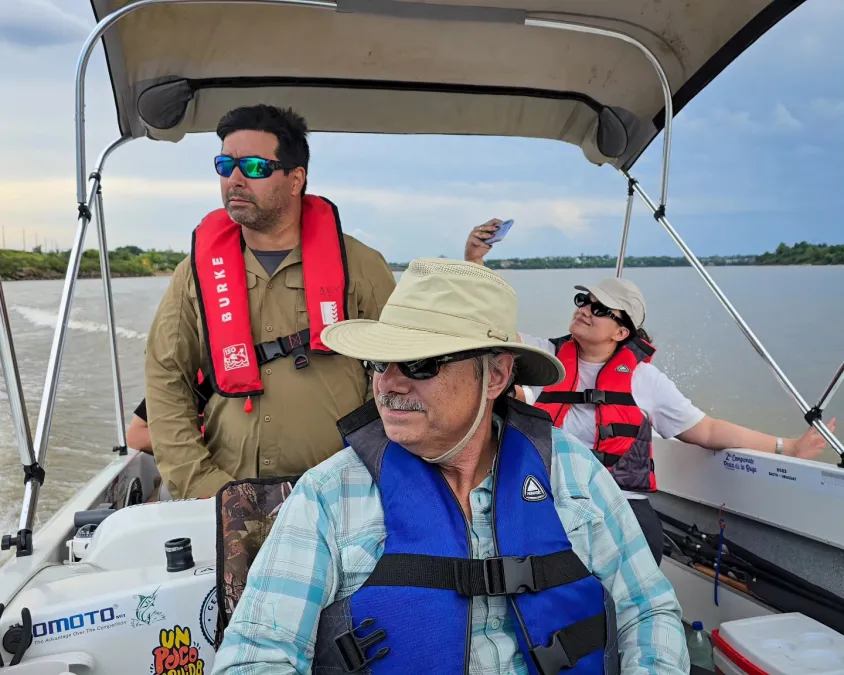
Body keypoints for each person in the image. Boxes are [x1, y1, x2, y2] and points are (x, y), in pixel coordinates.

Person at [212, 258, 690, 674]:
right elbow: (258, 655)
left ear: (496, 375)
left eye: (421, 364)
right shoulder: (328, 495)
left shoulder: (572, 473)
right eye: (380, 363)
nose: (389, 384)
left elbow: (647, 610)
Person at [465, 220, 837, 564]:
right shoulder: (543, 356)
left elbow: (705, 430)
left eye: (601, 309)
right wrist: (475, 261)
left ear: (622, 332)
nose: (585, 310)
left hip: (621, 500)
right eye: (583, 302)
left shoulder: (645, 380)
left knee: (643, 548)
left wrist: (787, 448)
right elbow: (489, 328)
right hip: (550, 495)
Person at [144, 104, 396, 500]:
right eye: (225, 165)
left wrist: (378, 462)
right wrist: (200, 485)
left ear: (296, 179)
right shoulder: (193, 273)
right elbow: (166, 377)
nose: (236, 180)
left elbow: (401, 369)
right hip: (227, 494)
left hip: (347, 489)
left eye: (256, 168)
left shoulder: (361, 266)